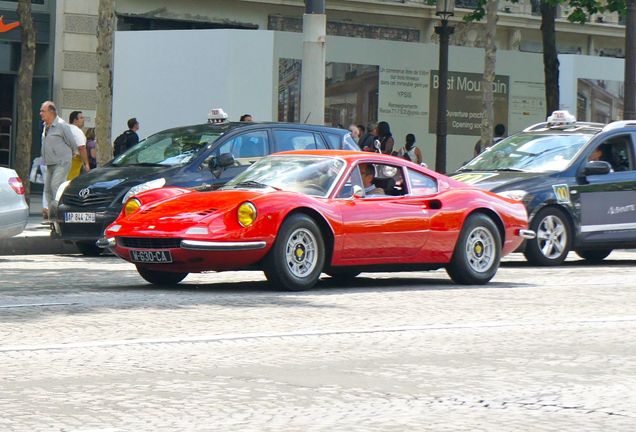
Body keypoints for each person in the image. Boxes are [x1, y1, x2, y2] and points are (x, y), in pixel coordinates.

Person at [40, 101, 78, 210]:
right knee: (47, 189)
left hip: (61, 162)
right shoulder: (45, 125)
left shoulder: (61, 125)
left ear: (51, 112)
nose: (41, 113)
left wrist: (75, 151)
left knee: (55, 185)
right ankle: (52, 213)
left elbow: (71, 140)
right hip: (49, 162)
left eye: (43, 111)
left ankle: (61, 210)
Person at [67, 111, 90, 180]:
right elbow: (81, 147)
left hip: (65, 159)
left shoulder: (66, 129)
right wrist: (86, 164)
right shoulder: (76, 131)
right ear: (75, 120)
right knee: (72, 181)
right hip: (75, 161)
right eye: (81, 118)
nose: (83, 120)